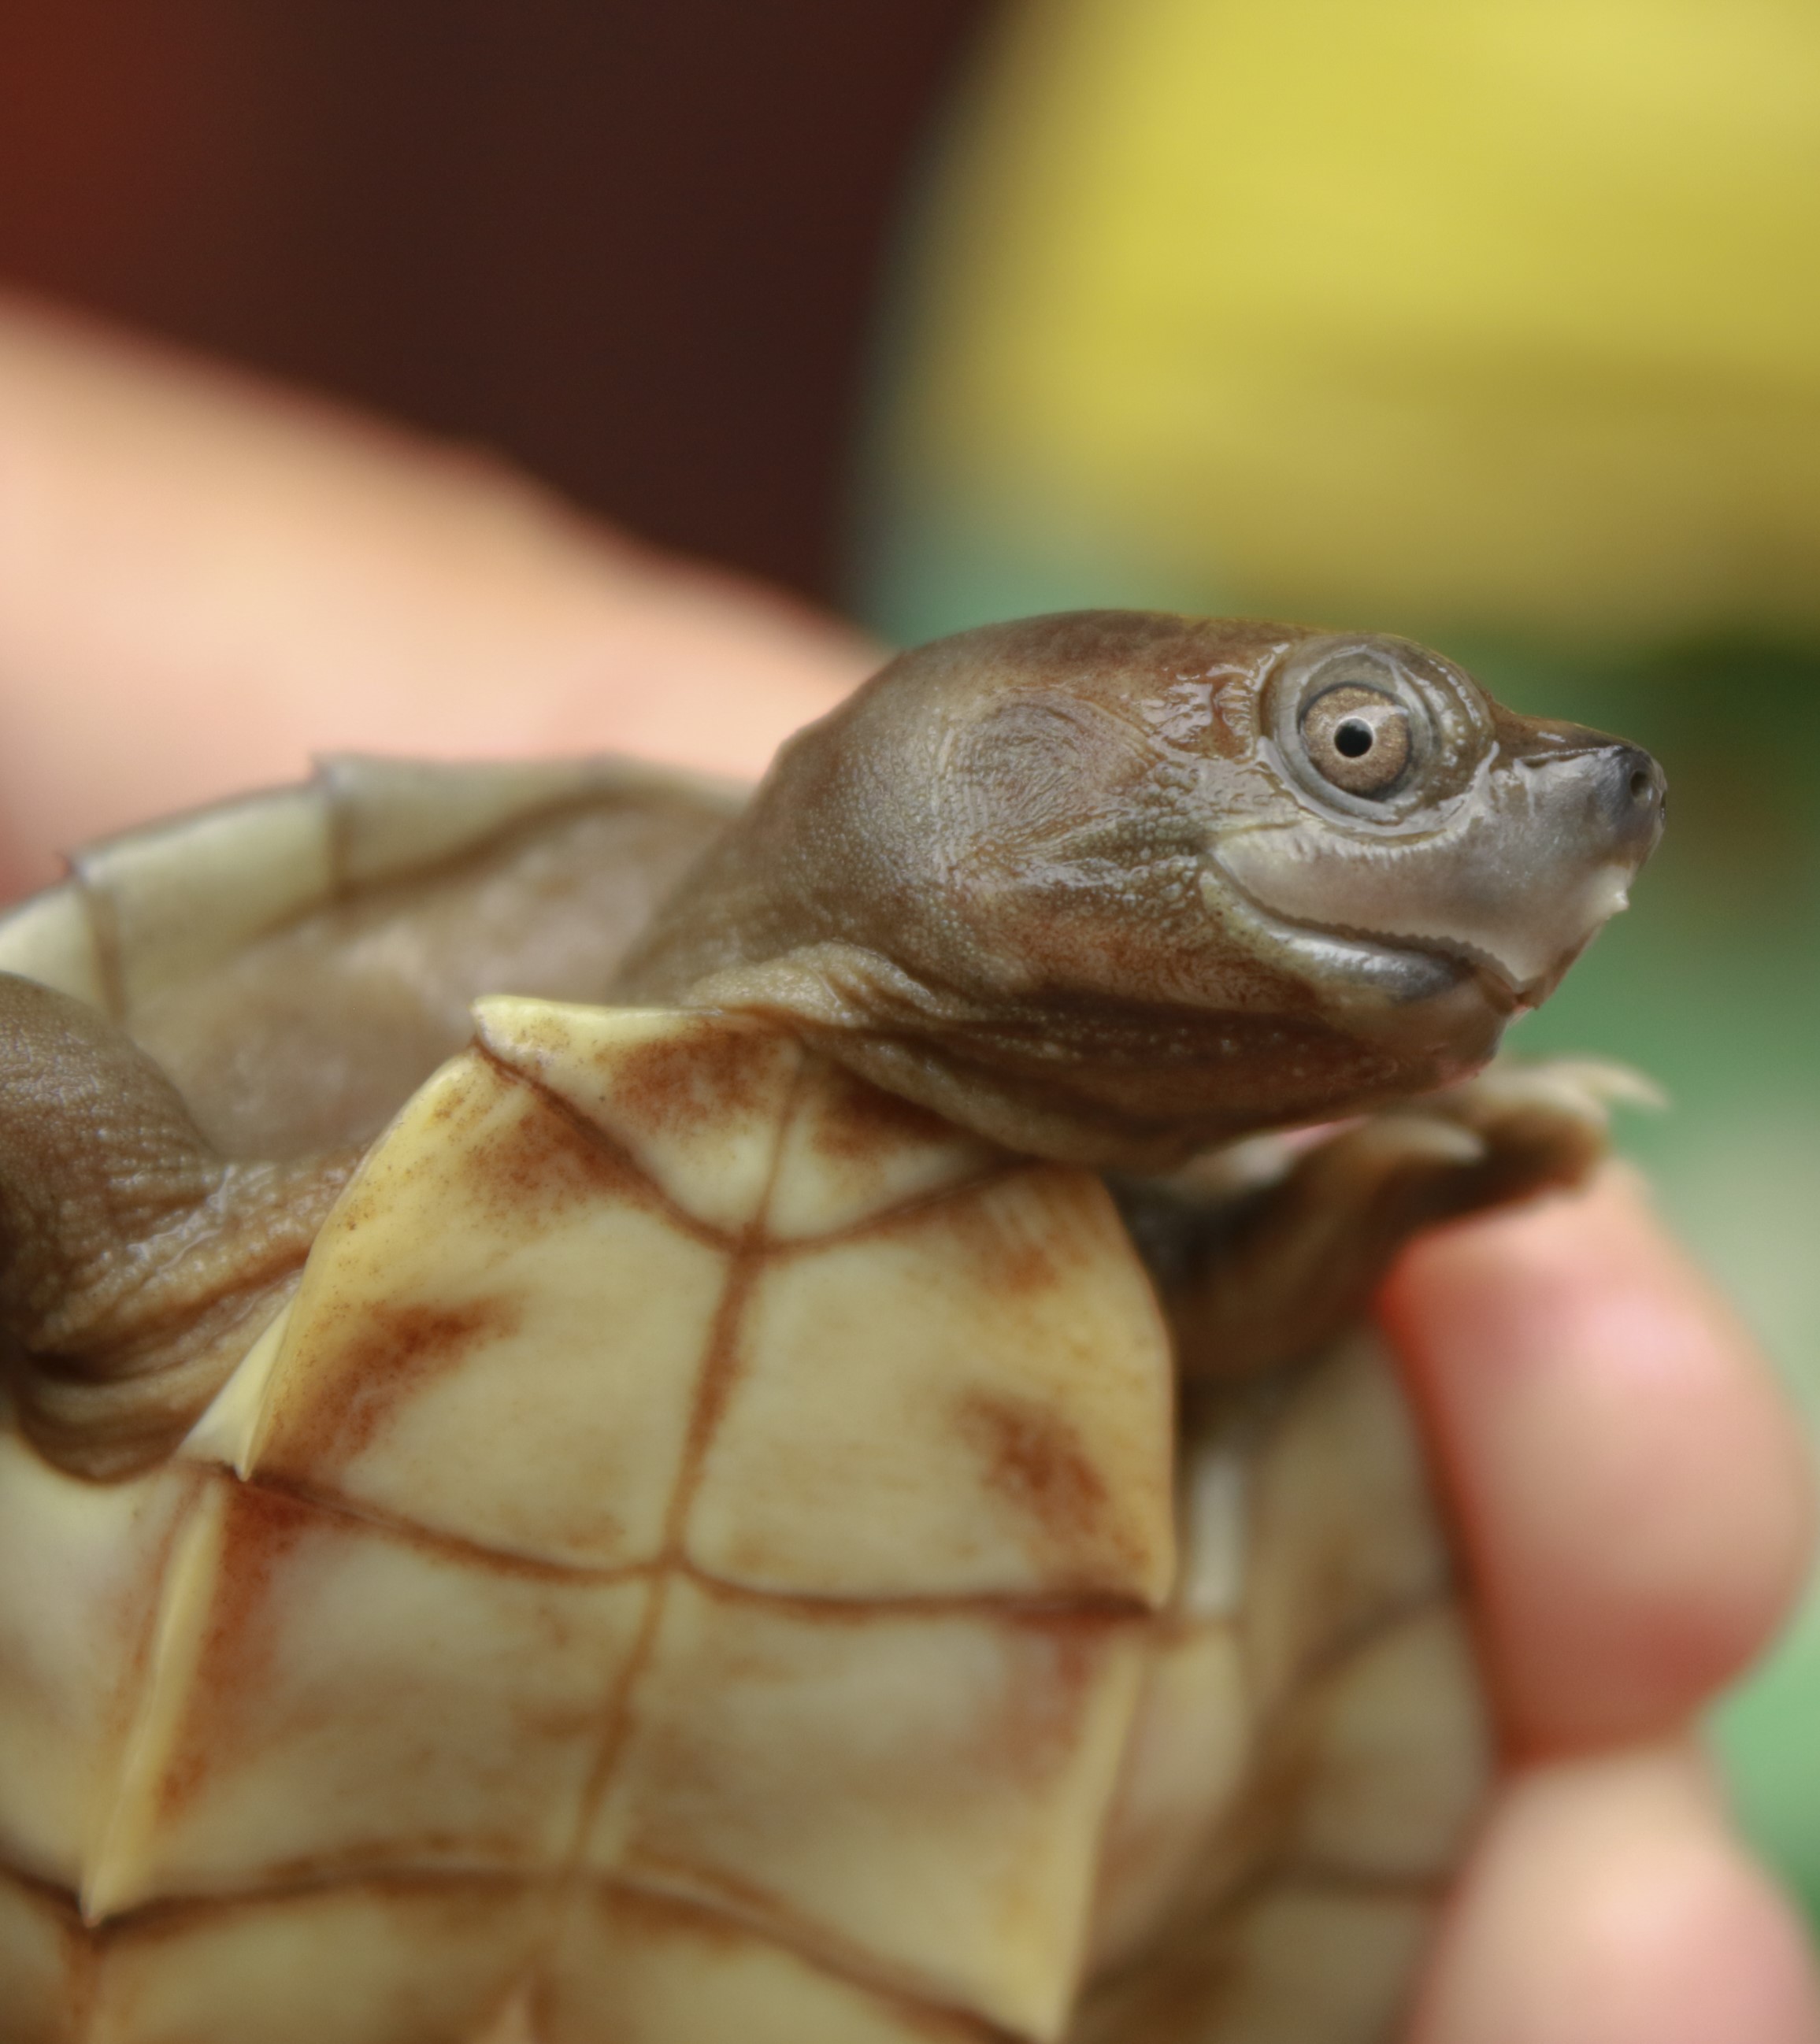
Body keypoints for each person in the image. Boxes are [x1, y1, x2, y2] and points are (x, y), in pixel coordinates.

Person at [1, 294, 1814, 2044]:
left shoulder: (178, 1273)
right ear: (986, 741)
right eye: (1360, 750)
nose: (1561, 846)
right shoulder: (189, 1224)